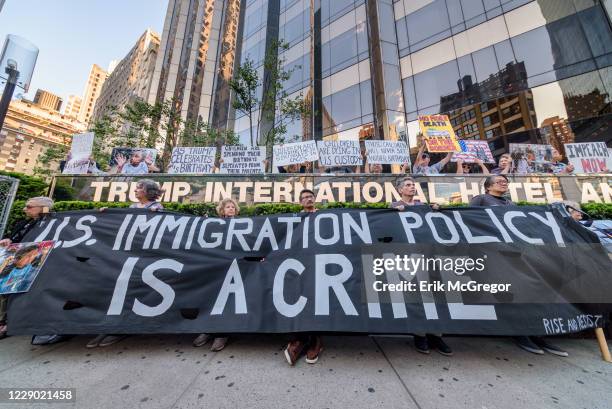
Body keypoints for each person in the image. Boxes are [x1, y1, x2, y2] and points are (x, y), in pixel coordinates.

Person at [470, 175, 568, 357]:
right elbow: (466, 220)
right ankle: (519, 332)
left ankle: (536, 333)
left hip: (515, 254)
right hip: (494, 254)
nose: (504, 183)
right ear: (488, 186)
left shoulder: (510, 204)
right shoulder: (481, 199)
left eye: (505, 181)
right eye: (500, 181)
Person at [86, 180, 165, 348]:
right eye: (136, 187)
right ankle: (108, 327)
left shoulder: (158, 207)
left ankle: (121, 328)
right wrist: (106, 215)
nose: (136, 190)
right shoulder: (132, 207)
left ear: (149, 191)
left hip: (143, 256)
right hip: (125, 255)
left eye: (139, 188)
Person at [390, 177, 453, 356]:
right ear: (400, 189)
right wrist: (394, 212)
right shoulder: (392, 206)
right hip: (408, 258)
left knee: (435, 296)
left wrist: (438, 211)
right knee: (416, 297)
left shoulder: (425, 206)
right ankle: (419, 334)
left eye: (413, 185)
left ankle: (436, 335)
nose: (412, 188)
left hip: (430, 256)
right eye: (408, 185)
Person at [192, 198, 239, 352]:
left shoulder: (244, 224)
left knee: (226, 301)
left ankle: (222, 333)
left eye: (233, 207)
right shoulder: (213, 225)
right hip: (216, 266)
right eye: (228, 207)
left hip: (235, 267)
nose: (231, 209)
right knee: (211, 299)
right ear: (222, 210)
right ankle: (207, 330)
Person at [284, 189, 324, 365]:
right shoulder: (295, 218)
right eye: (304, 198)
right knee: (299, 300)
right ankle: (298, 340)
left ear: (315, 200)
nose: (308, 199)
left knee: (316, 301)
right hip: (299, 264)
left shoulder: (325, 216)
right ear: (300, 202)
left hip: (319, 263)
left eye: (310, 197)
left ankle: (316, 341)